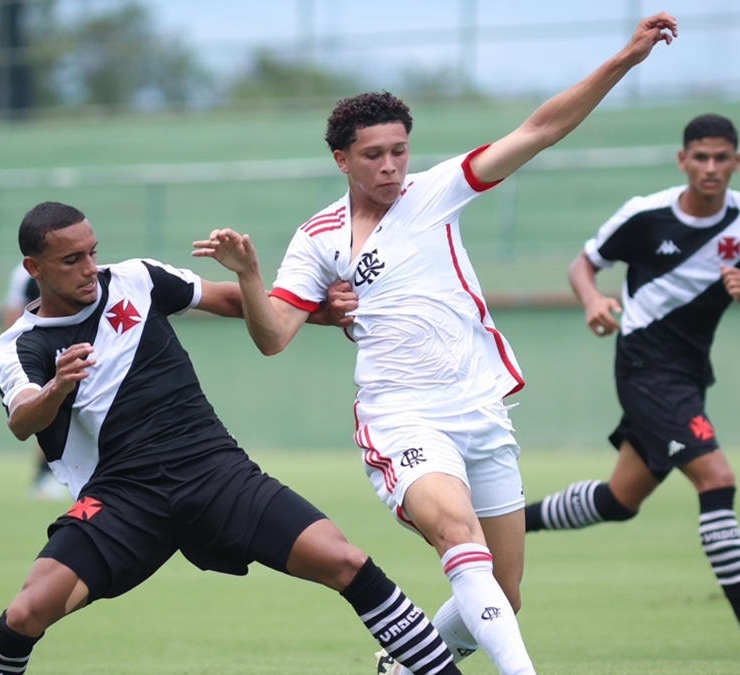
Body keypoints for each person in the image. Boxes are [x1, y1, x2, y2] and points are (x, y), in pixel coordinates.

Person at [192, 14, 678, 675]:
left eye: (399, 150)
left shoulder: (436, 191)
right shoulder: (318, 238)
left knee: (504, 594)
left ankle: (403, 664)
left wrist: (625, 58)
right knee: (457, 534)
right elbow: (274, 335)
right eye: (373, 155)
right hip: (401, 414)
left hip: (478, 406)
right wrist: (250, 275)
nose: (391, 165)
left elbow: (542, 129)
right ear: (341, 159)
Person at [0, 201, 466, 675]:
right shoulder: (20, 344)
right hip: (123, 497)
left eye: (93, 252)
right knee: (25, 614)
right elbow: (22, 421)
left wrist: (298, 298)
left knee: (346, 561)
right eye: (71, 259)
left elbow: (235, 302)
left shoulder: (137, 279)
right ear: (34, 268)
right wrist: (59, 386)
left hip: (214, 471)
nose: (89, 267)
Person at [522, 114, 740, 659]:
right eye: (701, 158)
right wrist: (593, 300)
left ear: (737, 161)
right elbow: (582, 266)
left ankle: (500, 522)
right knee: (717, 478)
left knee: (619, 500)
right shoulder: (645, 215)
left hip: (688, 375)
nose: (711, 168)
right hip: (644, 369)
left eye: (722, 158)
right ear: (683, 160)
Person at [2, 264, 69, 501]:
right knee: (49, 412)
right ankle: (44, 477)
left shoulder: (81, 270)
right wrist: (18, 362)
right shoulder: (24, 275)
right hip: (43, 355)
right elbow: (13, 316)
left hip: (73, 347)